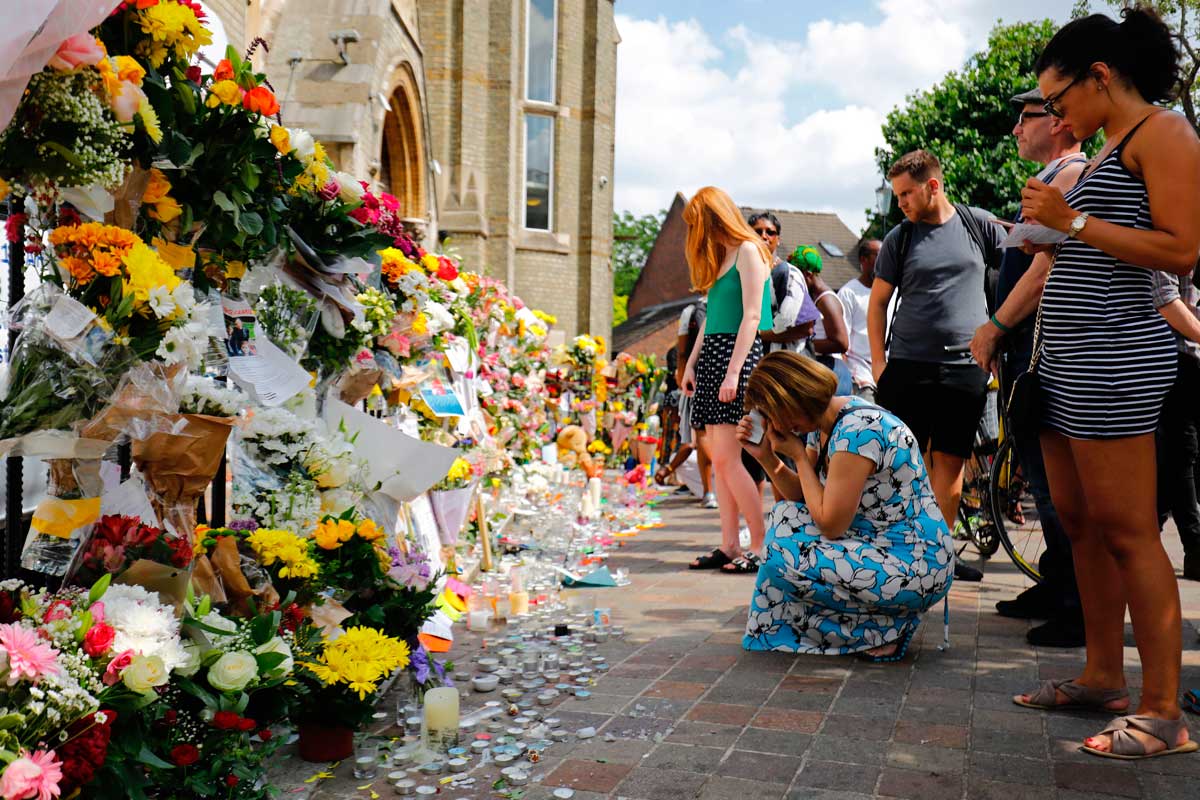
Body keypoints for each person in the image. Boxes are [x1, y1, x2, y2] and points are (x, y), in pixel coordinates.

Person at [1011, 8, 1200, 760]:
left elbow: (1184, 249)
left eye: (1058, 101)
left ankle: (1162, 714)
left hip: (1117, 363)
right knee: (1080, 524)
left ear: (1099, 76)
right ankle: (1101, 676)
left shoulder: (1167, 135)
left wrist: (1074, 221)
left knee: (1128, 531)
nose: (1055, 118)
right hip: (1066, 362)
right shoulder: (1114, 147)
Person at [969, 87, 1088, 648]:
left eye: (1025, 118)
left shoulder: (1070, 174)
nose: (1016, 129)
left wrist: (994, 325)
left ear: (1059, 122)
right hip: (1025, 351)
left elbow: (1044, 268)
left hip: (1041, 350)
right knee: (1039, 479)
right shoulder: (1050, 179)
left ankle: (1075, 603)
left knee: (1055, 482)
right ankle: (1056, 585)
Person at [739, 352, 954, 659]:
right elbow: (800, 497)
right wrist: (767, 457)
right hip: (886, 547)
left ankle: (883, 628)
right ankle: (870, 623)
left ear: (791, 405)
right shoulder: (825, 421)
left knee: (782, 552)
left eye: (771, 413)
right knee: (785, 518)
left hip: (917, 563)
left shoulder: (857, 432)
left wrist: (798, 456)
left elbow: (830, 523)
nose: (772, 422)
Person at [867, 150, 1000, 584]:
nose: (901, 202)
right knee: (904, 465)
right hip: (907, 368)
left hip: (964, 369)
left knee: (950, 465)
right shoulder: (899, 239)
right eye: (897, 194)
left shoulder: (977, 224)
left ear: (933, 185)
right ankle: (902, 551)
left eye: (907, 193)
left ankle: (937, 558)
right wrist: (879, 365)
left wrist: (998, 336)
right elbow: (878, 305)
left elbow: (1020, 269)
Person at [682, 186, 771, 575]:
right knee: (721, 461)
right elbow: (713, 319)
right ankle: (730, 543)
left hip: (737, 356)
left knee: (729, 460)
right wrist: (691, 363)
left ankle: (759, 543)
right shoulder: (723, 258)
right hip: (717, 356)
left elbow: (752, 317)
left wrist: (735, 371)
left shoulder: (749, 251)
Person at [1152, 266, 1200, 582]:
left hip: (1189, 355)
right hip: (1174, 357)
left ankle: (1149, 525)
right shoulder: (1174, 229)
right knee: (1182, 452)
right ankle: (1194, 547)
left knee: (1180, 456)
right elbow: (1164, 296)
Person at [749, 212, 819, 355]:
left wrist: (757, 333)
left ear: (778, 239)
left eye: (770, 232)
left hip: (789, 365)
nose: (764, 236)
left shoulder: (787, 273)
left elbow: (806, 327)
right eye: (757, 231)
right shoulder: (745, 275)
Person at [675, 297, 716, 507]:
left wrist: (683, 375)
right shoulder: (733, 297)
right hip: (729, 369)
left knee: (702, 433)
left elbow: (682, 351)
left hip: (700, 375)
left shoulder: (691, 311)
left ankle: (709, 492)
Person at [837, 239, 883, 401]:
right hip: (861, 378)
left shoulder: (892, 292)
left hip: (887, 376)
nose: (884, 260)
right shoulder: (849, 293)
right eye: (879, 255)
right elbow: (841, 340)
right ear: (863, 259)